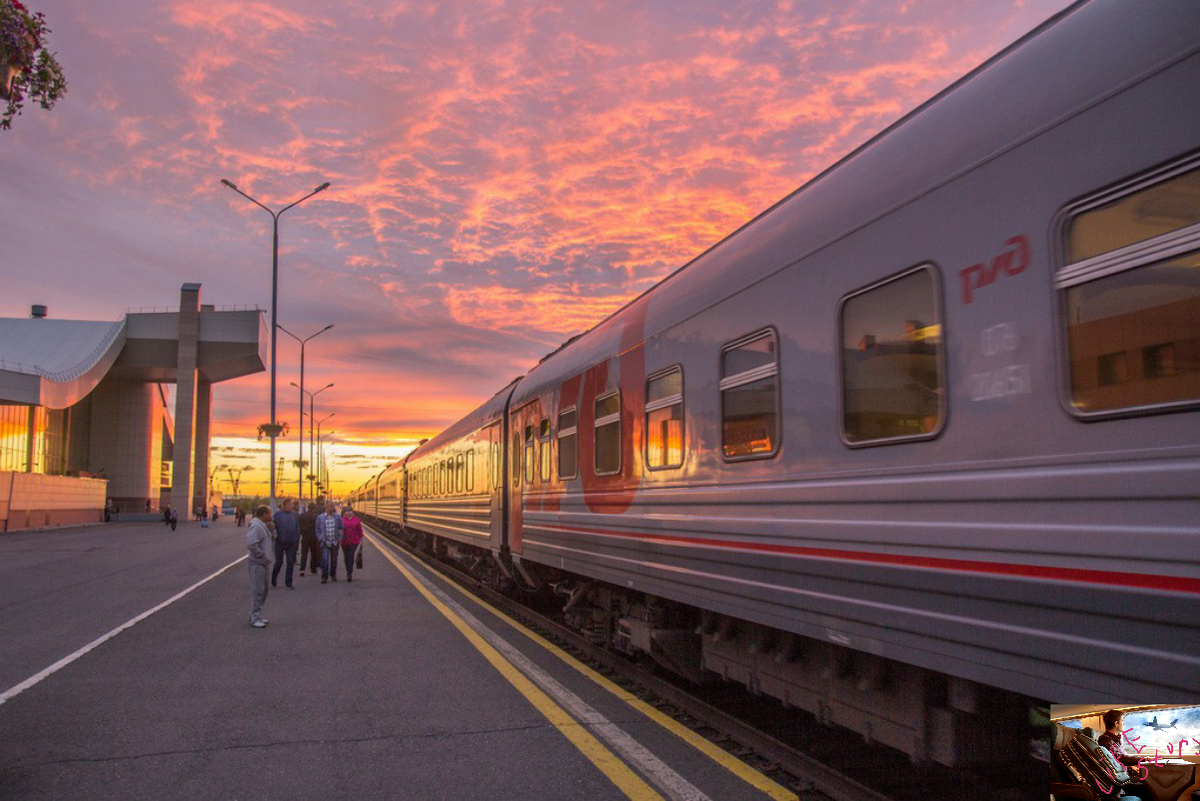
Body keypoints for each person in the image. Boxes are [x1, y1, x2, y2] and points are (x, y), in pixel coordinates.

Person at [1097, 710, 1152, 799]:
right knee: (1148, 788)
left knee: (1150, 781)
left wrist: (1130, 767)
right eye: (1122, 721)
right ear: (1116, 723)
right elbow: (1117, 758)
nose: (1124, 723)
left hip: (1126, 776)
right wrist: (1143, 759)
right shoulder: (1105, 740)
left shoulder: (1116, 740)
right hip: (1120, 782)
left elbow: (1118, 759)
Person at [246, 505, 273, 628]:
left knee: (264, 590)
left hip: (263, 563)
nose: (271, 516)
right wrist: (262, 556)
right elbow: (252, 544)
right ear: (263, 515)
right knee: (258, 591)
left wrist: (272, 530)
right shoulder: (257, 527)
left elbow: (272, 539)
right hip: (257, 563)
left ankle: (256, 614)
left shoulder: (264, 526)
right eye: (269, 513)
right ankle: (255, 617)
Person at [271, 499, 300, 589]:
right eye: (290, 505)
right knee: (279, 562)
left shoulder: (294, 515)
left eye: (292, 505)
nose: (292, 506)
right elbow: (272, 527)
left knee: (290, 562)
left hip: (291, 543)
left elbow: (297, 528)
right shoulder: (277, 515)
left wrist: (296, 540)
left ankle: (288, 583)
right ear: (285, 505)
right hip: (280, 543)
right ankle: (274, 578)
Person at [315, 501, 344, 584]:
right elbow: (317, 529)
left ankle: (333, 575)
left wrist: (340, 538)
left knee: (334, 560)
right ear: (326, 507)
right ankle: (324, 577)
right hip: (325, 542)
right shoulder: (320, 517)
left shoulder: (338, 517)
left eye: (333, 506)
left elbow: (341, 528)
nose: (333, 508)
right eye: (331, 506)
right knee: (325, 560)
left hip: (335, 542)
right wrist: (320, 538)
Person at [340, 505, 363, 583]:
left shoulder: (357, 520)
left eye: (350, 511)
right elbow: (339, 530)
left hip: (354, 541)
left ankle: (349, 573)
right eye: (347, 511)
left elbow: (360, 532)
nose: (349, 513)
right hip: (344, 542)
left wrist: (361, 542)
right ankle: (348, 570)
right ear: (345, 513)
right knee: (346, 558)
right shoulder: (342, 520)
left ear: (353, 512)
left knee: (351, 556)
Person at [299, 502, 320, 576]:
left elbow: (299, 525)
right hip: (314, 537)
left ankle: (302, 569)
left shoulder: (302, 516)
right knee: (314, 554)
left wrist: (302, 532)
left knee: (304, 554)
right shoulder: (316, 516)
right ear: (314, 508)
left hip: (305, 537)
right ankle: (313, 569)